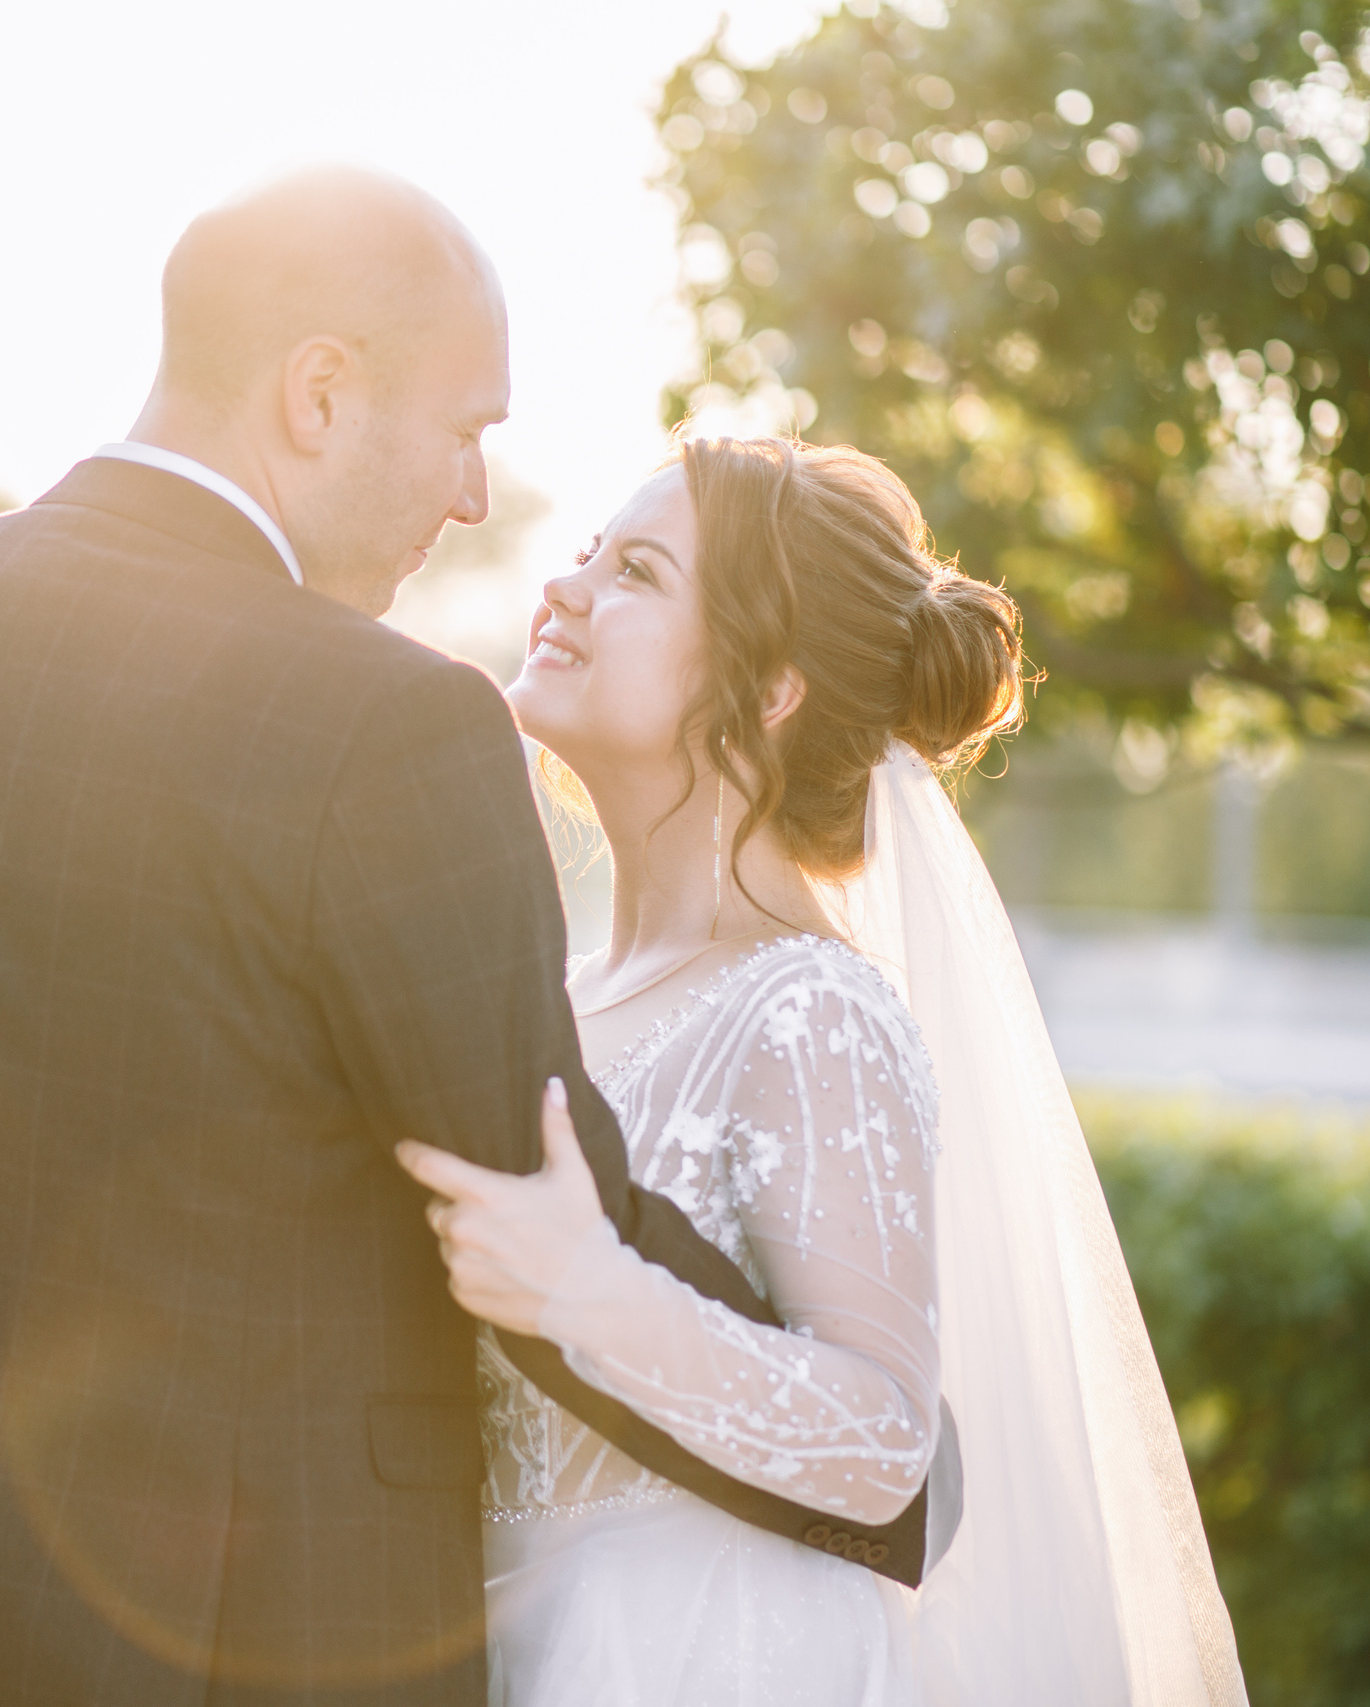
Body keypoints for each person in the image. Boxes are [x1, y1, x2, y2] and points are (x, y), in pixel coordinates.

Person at [0, 171, 862, 1707]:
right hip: (232, 1650)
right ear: (320, 393)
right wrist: (865, 1447)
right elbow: (536, 1189)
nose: (474, 495)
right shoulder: (394, 724)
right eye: (466, 428)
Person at [397, 438, 1249, 1705]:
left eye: (635, 572)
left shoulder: (808, 1010)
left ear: (771, 689)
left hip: (712, 1659)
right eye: (584, 555)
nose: (562, 590)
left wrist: (588, 1290)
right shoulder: (554, 999)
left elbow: (885, 1441)